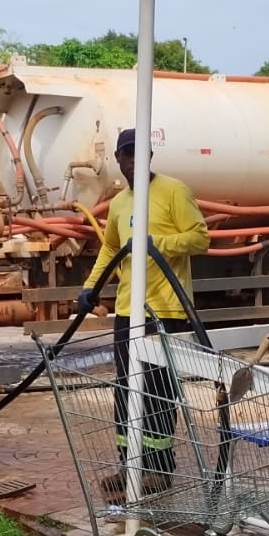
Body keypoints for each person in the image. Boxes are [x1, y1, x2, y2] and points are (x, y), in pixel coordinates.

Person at [77, 128, 210, 495]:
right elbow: (109, 249)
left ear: (150, 156)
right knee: (126, 389)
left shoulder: (174, 191)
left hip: (166, 311)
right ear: (118, 160)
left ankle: (159, 471)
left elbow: (200, 238)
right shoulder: (120, 203)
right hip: (127, 310)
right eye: (126, 154)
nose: (133, 159)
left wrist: (159, 244)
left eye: (139, 152)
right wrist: (91, 286)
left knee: (158, 391)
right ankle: (128, 464)